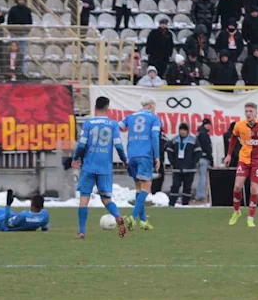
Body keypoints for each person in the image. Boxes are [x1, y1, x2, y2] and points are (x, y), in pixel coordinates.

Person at [70, 96, 128, 238]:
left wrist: (75, 158)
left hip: (89, 166)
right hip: (105, 167)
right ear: (107, 108)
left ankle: (82, 231)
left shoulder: (88, 123)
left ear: (95, 108)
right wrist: (124, 160)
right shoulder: (113, 124)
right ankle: (117, 216)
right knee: (106, 198)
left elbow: (82, 144)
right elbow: (119, 146)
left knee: (84, 198)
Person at [224, 103, 258, 227]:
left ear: (256, 113)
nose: (248, 113)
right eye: (246, 111)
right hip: (244, 159)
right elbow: (234, 137)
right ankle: (236, 212)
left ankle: (251, 217)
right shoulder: (239, 125)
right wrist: (229, 155)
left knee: (254, 188)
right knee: (237, 186)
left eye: (251, 111)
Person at [119, 96, 162, 231]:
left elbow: (118, 127)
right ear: (150, 105)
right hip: (145, 155)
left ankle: (143, 221)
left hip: (132, 155)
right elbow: (155, 137)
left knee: (138, 188)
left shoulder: (130, 117)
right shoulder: (154, 118)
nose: (154, 108)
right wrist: (157, 156)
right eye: (154, 105)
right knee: (146, 188)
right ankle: (132, 217)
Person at [165, 122, 201, 207]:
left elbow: (198, 152)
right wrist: (173, 162)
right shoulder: (174, 140)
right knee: (175, 186)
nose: (183, 132)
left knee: (187, 187)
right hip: (177, 169)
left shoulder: (193, 140)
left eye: (184, 130)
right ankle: (172, 203)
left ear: (187, 131)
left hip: (190, 169)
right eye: (181, 130)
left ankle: (185, 203)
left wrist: (193, 163)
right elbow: (169, 151)